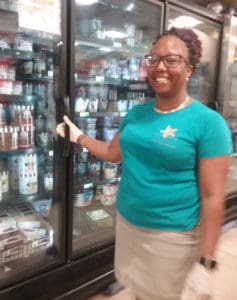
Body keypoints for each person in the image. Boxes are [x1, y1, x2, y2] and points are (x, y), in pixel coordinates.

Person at [56, 27, 232, 300]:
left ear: (189, 69)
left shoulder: (208, 124)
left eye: (171, 59)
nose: (160, 67)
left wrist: (205, 262)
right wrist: (78, 136)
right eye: (154, 59)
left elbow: (212, 197)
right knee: (139, 291)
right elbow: (113, 153)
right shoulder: (136, 114)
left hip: (172, 236)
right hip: (128, 225)